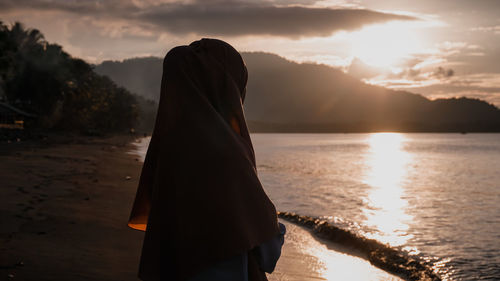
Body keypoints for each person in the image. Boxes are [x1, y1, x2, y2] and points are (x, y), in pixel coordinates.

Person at [127, 38, 286, 281]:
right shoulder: (226, 156)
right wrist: (275, 230)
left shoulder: (168, 152)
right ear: (227, 85)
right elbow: (267, 253)